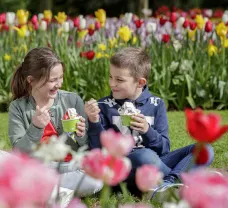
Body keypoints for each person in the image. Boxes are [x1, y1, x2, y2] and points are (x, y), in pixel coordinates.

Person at [84, 47, 214, 198]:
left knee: (205, 149)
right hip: (123, 167)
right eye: (111, 77)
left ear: (140, 82)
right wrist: (93, 122)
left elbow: (164, 149)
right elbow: (98, 150)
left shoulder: (156, 104)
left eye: (119, 80)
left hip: (156, 162)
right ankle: (187, 179)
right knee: (143, 155)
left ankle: (169, 183)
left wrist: (147, 130)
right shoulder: (104, 105)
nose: (112, 83)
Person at [8, 47, 102, 197]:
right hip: (37, 167)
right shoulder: (18, 107)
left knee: (96, 178)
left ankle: (43, 187)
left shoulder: (72, 100)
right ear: (31, 81)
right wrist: (36, 127)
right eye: (52, 80)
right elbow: (19, 151)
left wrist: (81, 134)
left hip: (70, 166)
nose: (59, 84)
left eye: (60, 78)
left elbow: (87, 148)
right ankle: (56, 188)